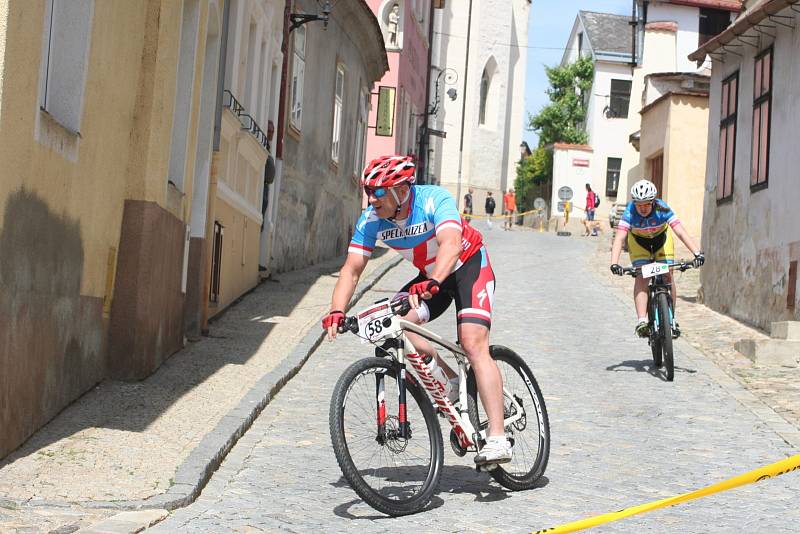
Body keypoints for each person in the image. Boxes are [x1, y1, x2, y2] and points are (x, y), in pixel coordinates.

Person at [322, 155, 512, 466]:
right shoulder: (371, 220)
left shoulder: (433, 199)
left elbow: (451, 244)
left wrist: (435, 280)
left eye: (378, 192)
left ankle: (497, 438)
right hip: (430, 276)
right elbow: (352, 270)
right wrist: (336, 310)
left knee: (472, 343)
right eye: (367, 191)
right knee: (391, 324)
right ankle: (450, 381)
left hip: (468, 266)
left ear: (400, 190)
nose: (371, 199)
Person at [609, 179, 705, 338]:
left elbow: (680, 232)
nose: (643, 208)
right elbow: (619, 238)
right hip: (639, 244)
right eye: (639, 204)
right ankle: (642, 321)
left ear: (653, 201)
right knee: (641, 277)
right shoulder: (630, 212)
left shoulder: (663, 208)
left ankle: (671, 320)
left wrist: (697, 252)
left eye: (647, 204)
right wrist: (614, 263)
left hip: (662, 242)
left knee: (669, 276)